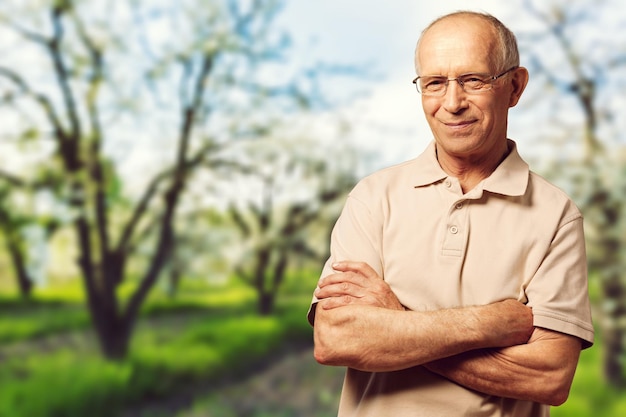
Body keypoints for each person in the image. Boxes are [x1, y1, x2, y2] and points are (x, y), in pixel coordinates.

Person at [307, 10, 594, 417]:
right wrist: (491, 324)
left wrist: (395, 323)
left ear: (514, 86)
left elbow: (549, 378)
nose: (452, 103)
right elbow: (336, 339)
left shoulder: (556, 216)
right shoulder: (373, 198)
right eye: (435, 83)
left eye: (473, 80)